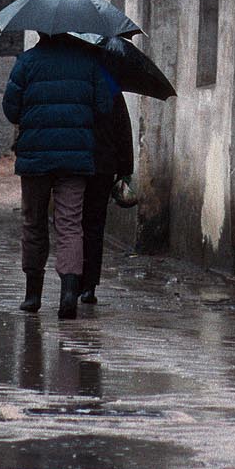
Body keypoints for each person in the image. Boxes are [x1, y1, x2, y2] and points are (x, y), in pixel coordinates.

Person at [2, 32, 114, 320]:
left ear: (40, 31)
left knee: (34, 221)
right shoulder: (89, 63)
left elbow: (11, 109)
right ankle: (68, 293)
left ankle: (33, 294)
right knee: (70, 223)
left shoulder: (26, 63)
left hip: (35, 156)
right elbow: (104, 106)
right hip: (76, 158)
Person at [81, 80, 135, 307]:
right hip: (103, 165)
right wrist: (125, 171)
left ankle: (72, 280)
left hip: (75, 162)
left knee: (71, 224)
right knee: (94, 226)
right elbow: (123, 128)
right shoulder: (110, 84)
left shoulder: (75, 79)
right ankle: (89, 285)